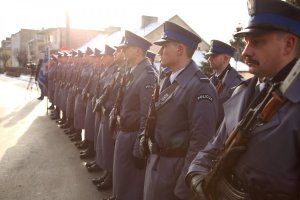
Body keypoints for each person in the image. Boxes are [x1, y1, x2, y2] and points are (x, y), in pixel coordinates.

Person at [186, 0, 300, 199]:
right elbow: (215, 144)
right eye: (246, 42)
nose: (245, 51)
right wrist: (196, 173)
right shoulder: (242, 91)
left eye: (257, 42)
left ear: (288, 45)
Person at [142, 21, 219, 200]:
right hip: (157, 163)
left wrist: (184, 188)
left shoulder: (200, 88)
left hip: (175, 172)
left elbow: (200, 144)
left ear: (180, 49)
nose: (160, 52)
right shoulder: (167, 79)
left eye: (164, 46)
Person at [111, 30, 157, 200]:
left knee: (132, 184)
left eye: (127, 48)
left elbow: (147, 116)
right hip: (124, 134)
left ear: (138, 51)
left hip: (133, 138)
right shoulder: (134, 72)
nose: (122, 51)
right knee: (122, 179)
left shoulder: (147, 76)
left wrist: (140, 147)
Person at [206, 40, 244, 124]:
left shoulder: (237, 84)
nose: (209, 59)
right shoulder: (210, 81)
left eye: (213, 56)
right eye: (209, 56)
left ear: (225, 58)